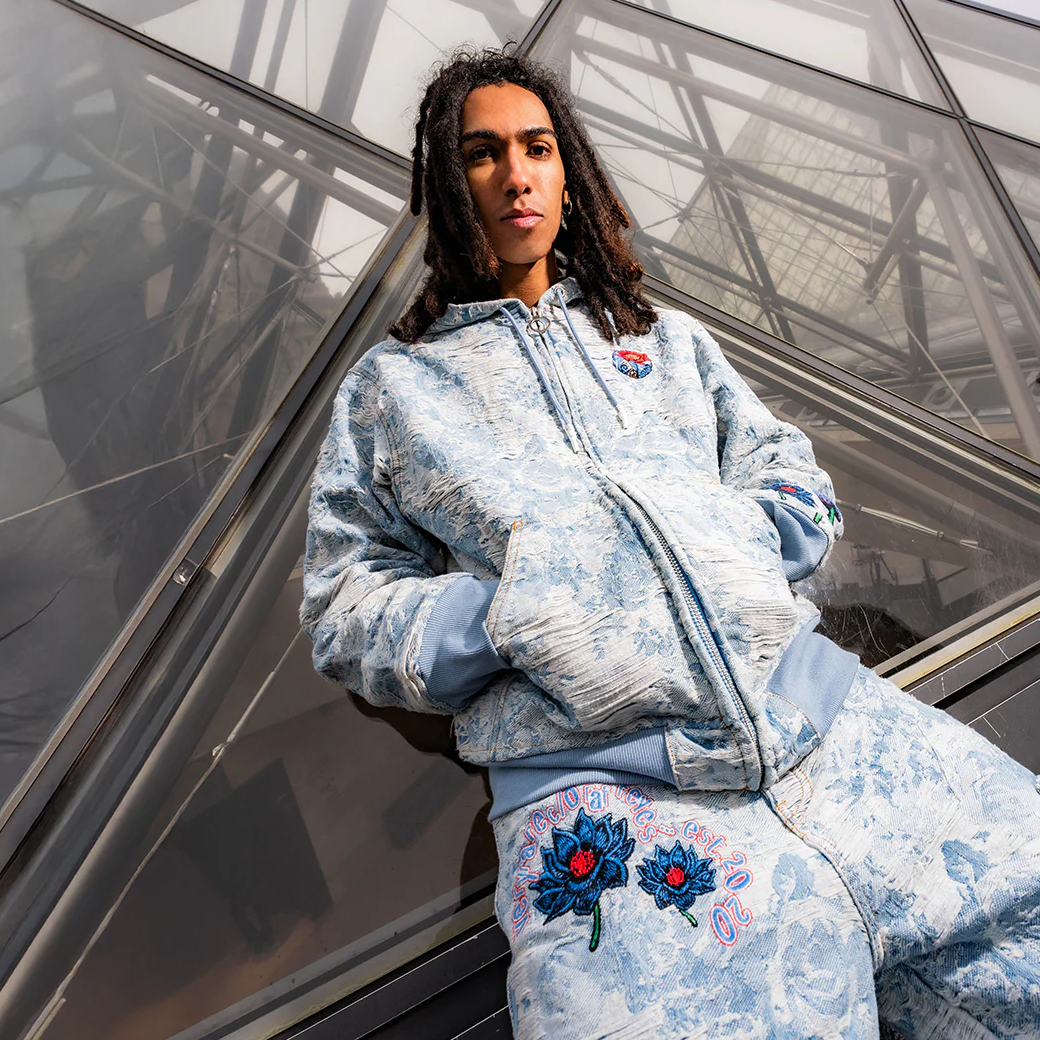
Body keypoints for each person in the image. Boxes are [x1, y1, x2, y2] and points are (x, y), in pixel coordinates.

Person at [301, 48, 1040, 1040]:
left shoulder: (666, 343)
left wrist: (727, 539)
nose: (516, 175)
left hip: (845, 744)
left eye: (537, 148)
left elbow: (793, 480)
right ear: (446, 180)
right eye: (482, 153)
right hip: (619, 826)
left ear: (569, 172)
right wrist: (513, 612)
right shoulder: (393, 391)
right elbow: (343, 606)